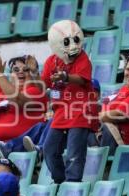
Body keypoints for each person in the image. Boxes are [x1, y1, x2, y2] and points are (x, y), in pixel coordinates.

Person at [41, 20, 97, 184]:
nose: (73, 46)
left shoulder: (83, 58)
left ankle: (72, 184)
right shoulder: (52, 61)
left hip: (80, 111)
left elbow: (81, 79)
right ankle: (59, 181)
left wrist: (65, 76)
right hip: (60, 113)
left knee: (74, 153)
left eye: (75, 40)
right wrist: (31, 71)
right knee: (49, 149)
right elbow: (43, 83)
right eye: (66, 42)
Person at [0, 55, 48, 158]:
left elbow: (17, 99)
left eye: (26, 69)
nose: (20, 72)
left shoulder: (35, 91)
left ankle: (8, 147)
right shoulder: (2, 94)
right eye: (15, 70)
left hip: (21, 151)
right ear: (11, 75)